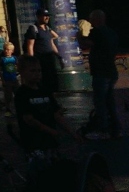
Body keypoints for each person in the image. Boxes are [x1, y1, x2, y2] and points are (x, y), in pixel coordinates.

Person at [15, 55, 81, 156]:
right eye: (32, 71)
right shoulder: (21, 94)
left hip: (50, 140)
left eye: (39, 71)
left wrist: (72, 133)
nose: (37, 74)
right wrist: (52, 132)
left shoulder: (44, 90)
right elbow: (29, 119)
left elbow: (56, 114)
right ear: (22, 72)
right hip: (33, 141)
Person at [79, 9, 120, 139]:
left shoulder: (97, 32)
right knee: (109, 102)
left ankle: (103, 130)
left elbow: (84, 44)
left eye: (91, 20)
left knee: (100, 102)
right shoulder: (111, 32)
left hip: (101, 72)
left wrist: (80, 33)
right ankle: (116, 129)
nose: (90, 22)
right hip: (111, 70)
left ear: (96, 19)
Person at [24, 8, 60, 94]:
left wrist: (59, 57)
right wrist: (32, 61)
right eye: (45, 16)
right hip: (40, 61)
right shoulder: (33, 29)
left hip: (49, 60)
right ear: (38, 17)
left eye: (48, 16)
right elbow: (30, 45)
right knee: (41, 82)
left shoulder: (47, 29)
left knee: (51, 83)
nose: (47, 18)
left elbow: (52, 41)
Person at [0, 42, 20, 112]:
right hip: (7, 79)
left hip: (14, 79)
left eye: (8, 49)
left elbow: (17, 66)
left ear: (12, 51)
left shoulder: (14, 58)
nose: (6, 51)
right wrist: (2, 80)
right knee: (8, 96)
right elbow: (0, 70)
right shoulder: (2, 59)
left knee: (17, 93)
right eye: (5, 49)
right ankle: (7, 108)